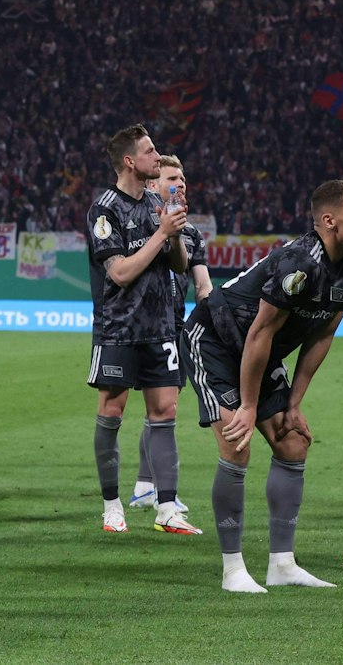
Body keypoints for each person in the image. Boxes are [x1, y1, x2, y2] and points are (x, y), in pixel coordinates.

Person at [185, 180, 343, 592]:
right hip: (215, 338)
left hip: (255, 351)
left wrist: (294, 401)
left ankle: (281, 565)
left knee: (292, 442)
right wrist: (250, 405)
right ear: (328, 220)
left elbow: (322, 333)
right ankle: (233, 570)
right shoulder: (299, 262)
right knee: (237, 443)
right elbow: (260, 333)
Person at [87, 124, 195, 537]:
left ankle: (167, 507)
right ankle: (112, 505)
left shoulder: (156, 202)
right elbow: (119, 272)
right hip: (118, 329)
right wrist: (161, 233)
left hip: (161, 326)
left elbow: (179, 265)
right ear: (131, 161)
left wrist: (176, 234)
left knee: (164, 412)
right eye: (150, 151)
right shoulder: (105, 209)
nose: (158, 155)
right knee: (112, 411)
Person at [132, 153, 210, 511]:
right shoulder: (138, 226)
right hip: (140, 328)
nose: (181, 185)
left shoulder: (191, 233)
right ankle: (149, 491)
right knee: (156, 412)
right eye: (172, 179)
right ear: (152, 185)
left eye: (183, 179)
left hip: (174, 329)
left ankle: (146, 487)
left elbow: (203, 284)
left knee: (162, 411)